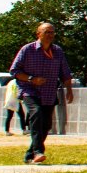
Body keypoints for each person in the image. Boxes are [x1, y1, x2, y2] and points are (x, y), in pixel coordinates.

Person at [8, 22, 73, 165]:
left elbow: (65, 73)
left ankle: (30, 154)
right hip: (28, 90)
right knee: (36, 113)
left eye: (52, 32)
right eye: (46, 32)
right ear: (39, 34)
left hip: (49, 92)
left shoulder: (57, 51)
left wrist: (69, 90)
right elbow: (15, 71)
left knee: (46, 124)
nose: (50, 35)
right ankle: (38, 151)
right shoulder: (27, 50)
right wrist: (32, 79)